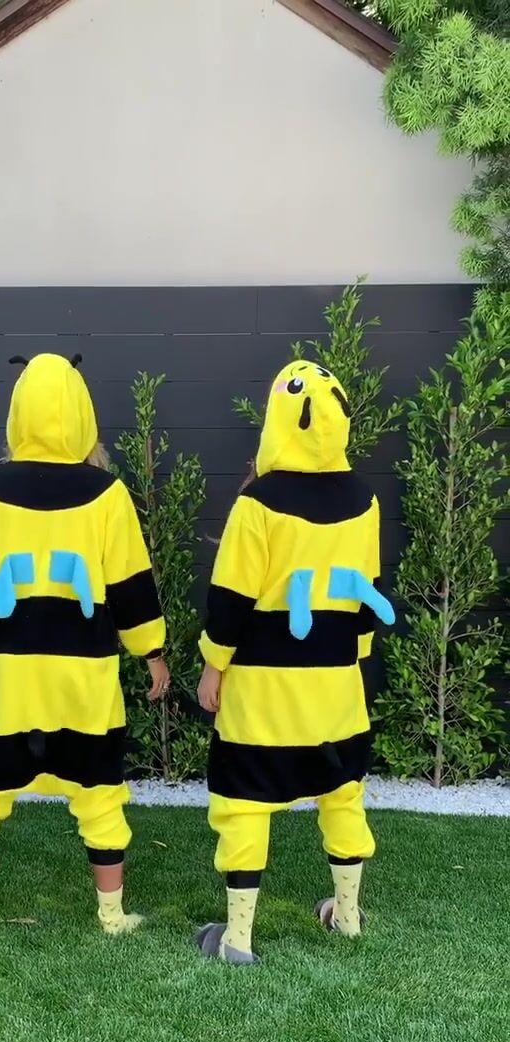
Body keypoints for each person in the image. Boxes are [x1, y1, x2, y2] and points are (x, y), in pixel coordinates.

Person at [0, 353, 169, 934]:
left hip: (7, 674)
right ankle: (112, 915)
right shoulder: (108, 493)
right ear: (81, 412)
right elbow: (131, 583)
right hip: (83, 675)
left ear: (20, 410)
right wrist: (152, 651)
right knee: (100, 793)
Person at [196, 360, 395, 964]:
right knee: (342, 795)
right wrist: (357, 661)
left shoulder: (257, 501)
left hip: (262, 685)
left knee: (244, 801)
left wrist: (213, 664)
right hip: (336, 680)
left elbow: (231, 595)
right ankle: (348, 916)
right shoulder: (366, 500)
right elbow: (369, 590)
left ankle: (237, 937)